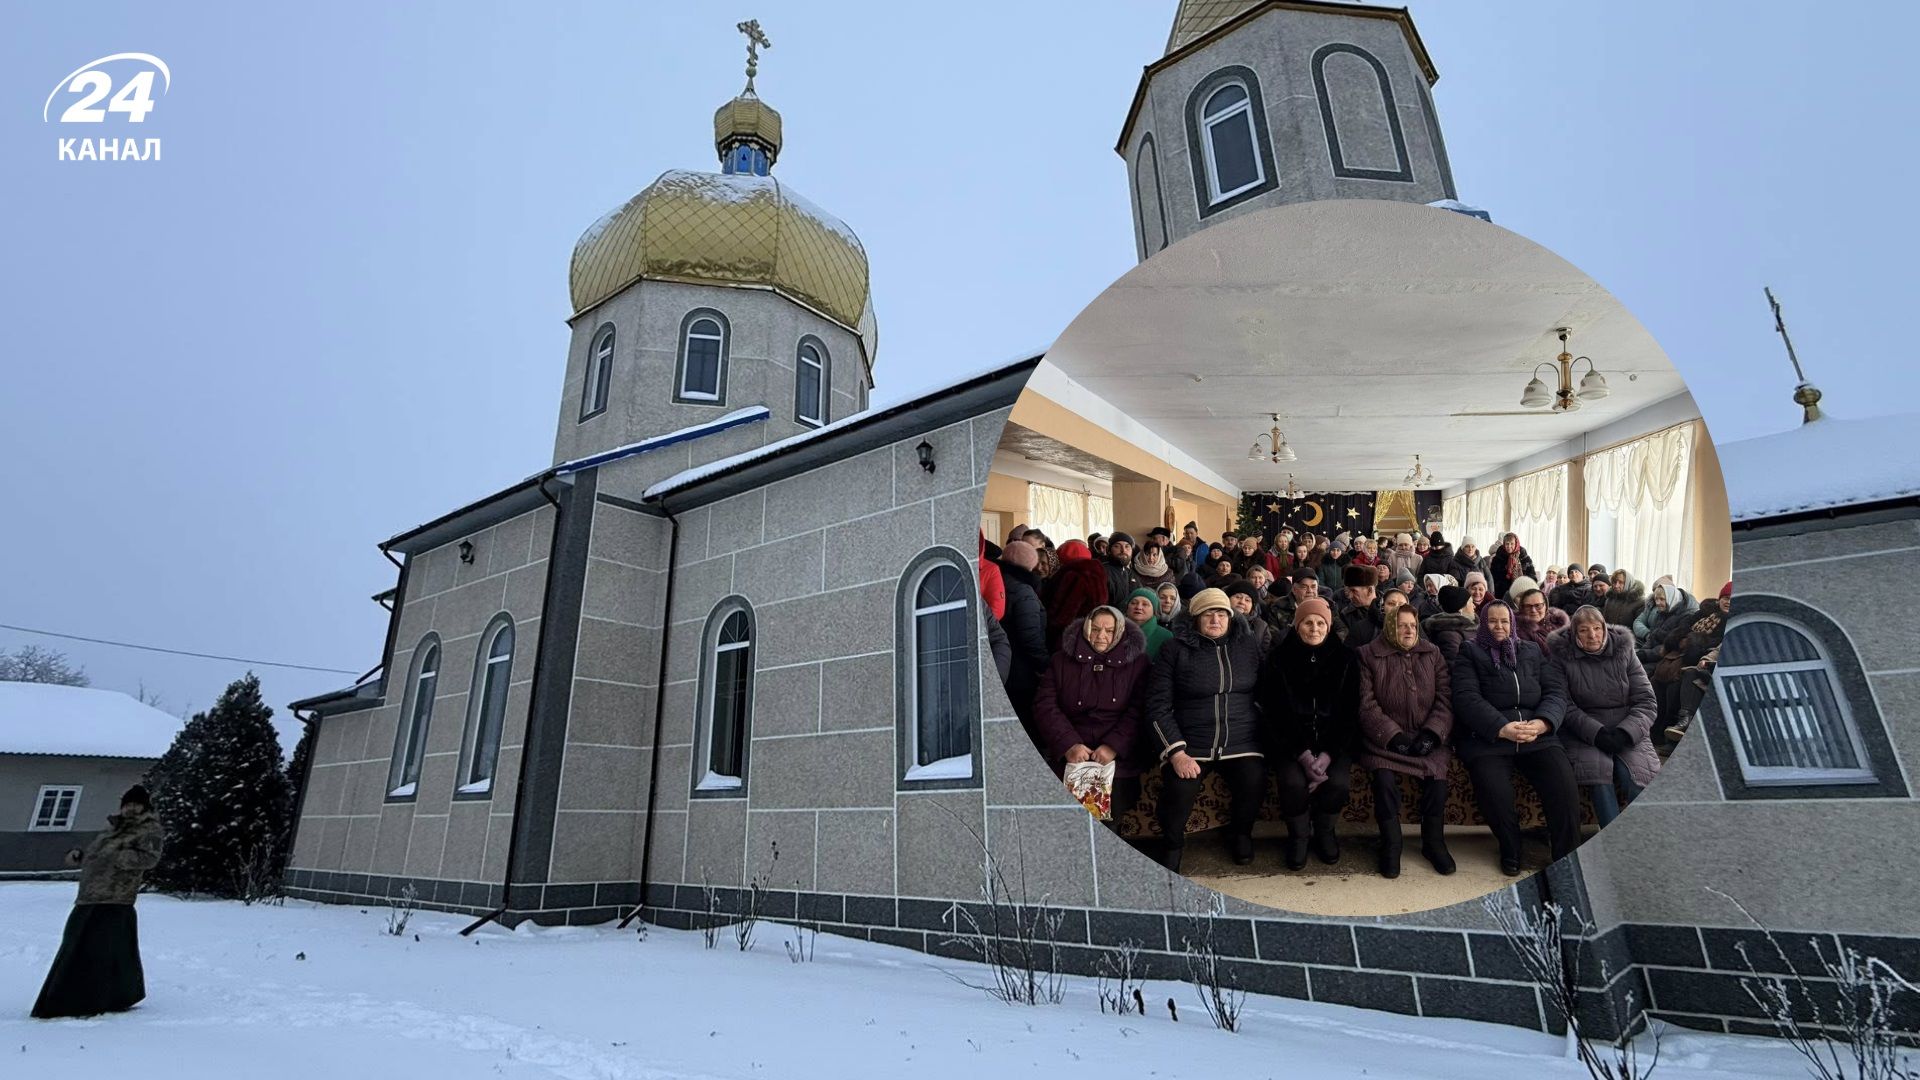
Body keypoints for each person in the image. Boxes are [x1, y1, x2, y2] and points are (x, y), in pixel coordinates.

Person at [1450, 600, 1582, 874]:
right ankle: (1511, 848)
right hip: (1489, 738)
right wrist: (1502, 727)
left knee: (1563, 785)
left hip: (1536, 734)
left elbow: (1556, 691)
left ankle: (1566, 856)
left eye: (1504, 621)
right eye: (1492, 621)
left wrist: (1544, 722)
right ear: (1483, 623)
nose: (1499, 626)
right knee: (1494, 791)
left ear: (1512, 623)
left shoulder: (1532, 650)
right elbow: (1466, 698)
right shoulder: (1470, 651)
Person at [1145, 588, 1267, 871]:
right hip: (1191, 742)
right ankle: (1173, 844)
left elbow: (1266, 691)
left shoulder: (1247, 646)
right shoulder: (1174, 650)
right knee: (1179, 789)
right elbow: (1156, 705)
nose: (1216, 619)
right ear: (1195, 618)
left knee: (1253, 780)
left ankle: (1240, 834)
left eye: (1222, 613)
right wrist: (1176, 751)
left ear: (1232, 617)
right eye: (1208, 614)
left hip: (1241, 739)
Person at [32, 785, 166, 1019]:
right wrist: (82, 855)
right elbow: (98, 854)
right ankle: (110, 993)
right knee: (77, 945)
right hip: (89, 896)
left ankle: (90, 1000)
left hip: (115, 899)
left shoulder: (149, 829)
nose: (130, 808)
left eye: (136, 804)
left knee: (98, 951)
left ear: (145, 807)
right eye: (127, 804)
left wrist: (117, 857)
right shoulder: (112, 827)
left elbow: (149, 858)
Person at [1355, 605, 1455, 877]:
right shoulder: (1367, 655)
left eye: (1412, 624)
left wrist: (1433, 733)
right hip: (1384, 742)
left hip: (1426, 738)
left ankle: (1433, 842)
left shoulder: (1432, 653)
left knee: (1437, 778)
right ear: (1389, 627)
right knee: (1384, 780)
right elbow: (1366, 704)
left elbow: (1445, 698)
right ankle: (1391, 843)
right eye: (1401, 625)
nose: (1409, 630)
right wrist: (1392, 736)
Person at [1259, 597, 1359, 869]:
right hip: (1291, 744)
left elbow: (1348, 712)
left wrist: (1327, 755)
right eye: (1307, 622)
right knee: (1292, 783)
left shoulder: (1346, 658)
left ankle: (1325, 831)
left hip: (1333, 744)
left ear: (1328, 627)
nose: (1314, 628)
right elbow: (1275, 712)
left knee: (1337, 784)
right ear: (1297, 625)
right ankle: (1299, 835)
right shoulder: (1279, 658)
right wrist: (1303, 756)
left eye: (1320, 623)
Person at [1033, 607, 1151, 833]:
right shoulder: (1061, 660)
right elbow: (1044, 704)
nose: (1101, 636)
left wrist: (1112, 747)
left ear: (1119, 633)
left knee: (1110, 812)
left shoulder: (1138, 663)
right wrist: (1069, 745)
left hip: (1117, 754)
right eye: (1095, 629)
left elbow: (1139, 709)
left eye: (1109, 630)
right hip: (1071, 749)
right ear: (1086, 629)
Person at [1548, 606, 1659, 826]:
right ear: (1573, 633)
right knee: (1598, 777)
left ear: (1605, 629)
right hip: (1585, 732)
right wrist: (1596, 733)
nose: (1592, 635)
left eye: (1597, 628)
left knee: (1638, 778)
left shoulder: (1624, 651)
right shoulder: (1561, 658)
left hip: (1627, 728)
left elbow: (1646, 701)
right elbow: (1563, 705)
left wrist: (1625, 733)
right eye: (1584, 630)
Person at [997, 540, 1051, 732]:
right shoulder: (1023, 591)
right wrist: (1044, 665)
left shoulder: (996, 578)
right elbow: (1030, 636)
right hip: (1020, 669)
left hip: (1001, 661)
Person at [1044, 539, 1111, 652]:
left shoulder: (1073, 576)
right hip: (1094, 631)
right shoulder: (1098, 573)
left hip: (1071, 637)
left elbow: (1065, 613)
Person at [1635, 582, 1697, 665]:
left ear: (1671, 598)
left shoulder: (1686, 617)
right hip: (1652, 654)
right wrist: (1642, 652)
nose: (1657, 603)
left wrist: (1645, 655)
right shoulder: (1663, 612)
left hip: (1663, 659)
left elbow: (1669, 646)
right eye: (1656, 599)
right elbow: (1653, 637)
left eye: (1662, 599)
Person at [1423, 584, 1477, 664]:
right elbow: (1453, 665)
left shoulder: (1465, 627)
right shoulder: (1449, 635)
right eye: (1471, 602)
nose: (1474, 606)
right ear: (1461, 608)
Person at [1333, 564, 1384, 647]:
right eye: (1348, 591)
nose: (1349, 596)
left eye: (1354, 591)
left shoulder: (1390, 608)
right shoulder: (1346, 615)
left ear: (1370, 590)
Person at [1223, 578, 1277, 657]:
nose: (1242, 602)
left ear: (1252, 606)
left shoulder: (1261, 626)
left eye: (1247, 600)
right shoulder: (1218, 620)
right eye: (1238, 597)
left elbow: (1265, 654)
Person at [1124, 587, 1174, 659]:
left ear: (1154, 610)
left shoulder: (1165, 636)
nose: (1139, 607)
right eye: (1134, 603)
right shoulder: (1115, 630)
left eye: (1145, 604)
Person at [1490, 533, 1537, 603]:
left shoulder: (1524, 558)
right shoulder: (1497, 559)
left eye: (1512, 544)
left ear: (1516, 544)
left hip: (1522, 592)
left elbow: (1532, 575)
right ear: (1504, 544)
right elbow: (1493, 577)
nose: (1509, 546)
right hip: (1502, 593)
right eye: (1507, 544)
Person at [1104, 533, 1147, 607]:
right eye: (1117, 546)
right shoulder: (1102, 571)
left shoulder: (1129, 572)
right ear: (1109, 550)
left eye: (1127, 546)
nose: (1123, 550)